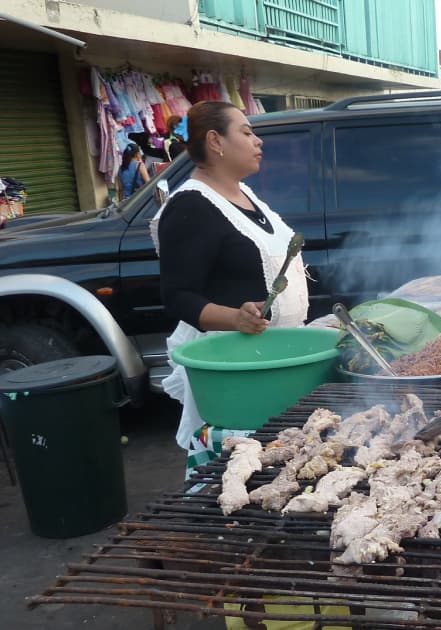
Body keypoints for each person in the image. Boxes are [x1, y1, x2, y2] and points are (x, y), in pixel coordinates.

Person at [151, 100, 310, 462]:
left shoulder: (245, 195)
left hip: (274, 360)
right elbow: (177, 297)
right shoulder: (191, 205)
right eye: (246, 132)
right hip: (233, 372)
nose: (259, 141)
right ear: (215, 141)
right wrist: (235, 318)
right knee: (241, 470)